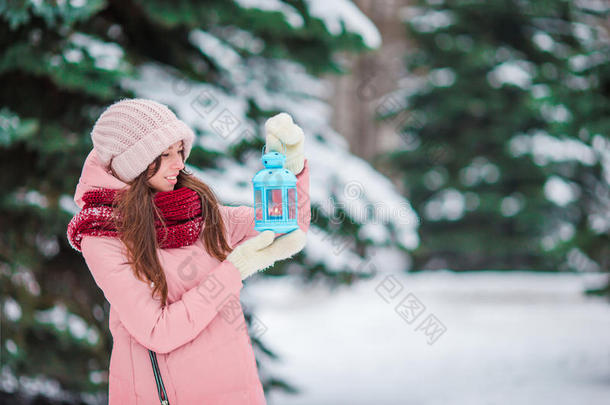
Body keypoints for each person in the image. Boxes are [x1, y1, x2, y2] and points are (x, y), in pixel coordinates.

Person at [66, 98, 311, 404]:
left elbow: (287, 224)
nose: (179, 163)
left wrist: (291, 172)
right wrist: (235, 269)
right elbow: (158, 331)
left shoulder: (197, 212)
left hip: (237, 390)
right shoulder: (103, 236)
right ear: (134, 163)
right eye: (166, 154)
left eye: (180, 151)